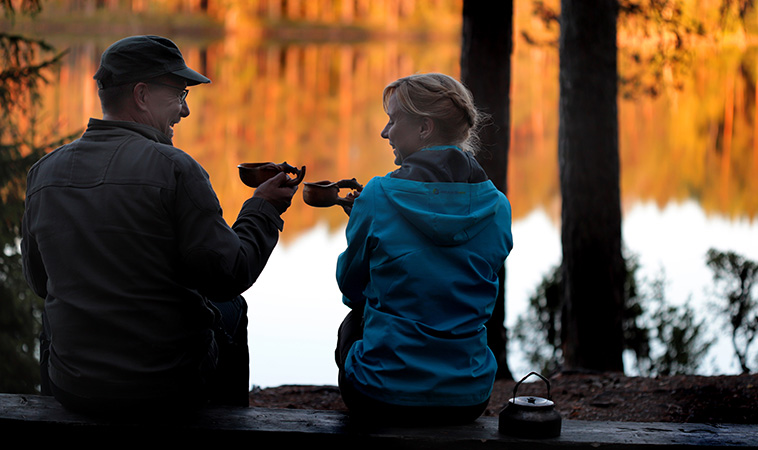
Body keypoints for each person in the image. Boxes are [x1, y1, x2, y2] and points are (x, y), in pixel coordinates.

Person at [21, 35, 298, 415]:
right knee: (231, 306)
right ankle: (233, 427)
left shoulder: (43, 173)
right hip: (166, 389)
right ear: (142, 95)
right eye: (180, 94)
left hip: (74, 387)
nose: (184, 111)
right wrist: (263, 208)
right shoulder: (176, 168)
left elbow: (40, 282)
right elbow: (230, 273)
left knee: (57, 315)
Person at [334, 73, 513, 425]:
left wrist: (365, 221)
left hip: (379, 393)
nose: (385, 133)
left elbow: (351, 288)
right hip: (469, 396)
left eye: (393, 120)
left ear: (424, 128)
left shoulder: (376, 195)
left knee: (353, 321)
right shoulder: (498, 206)